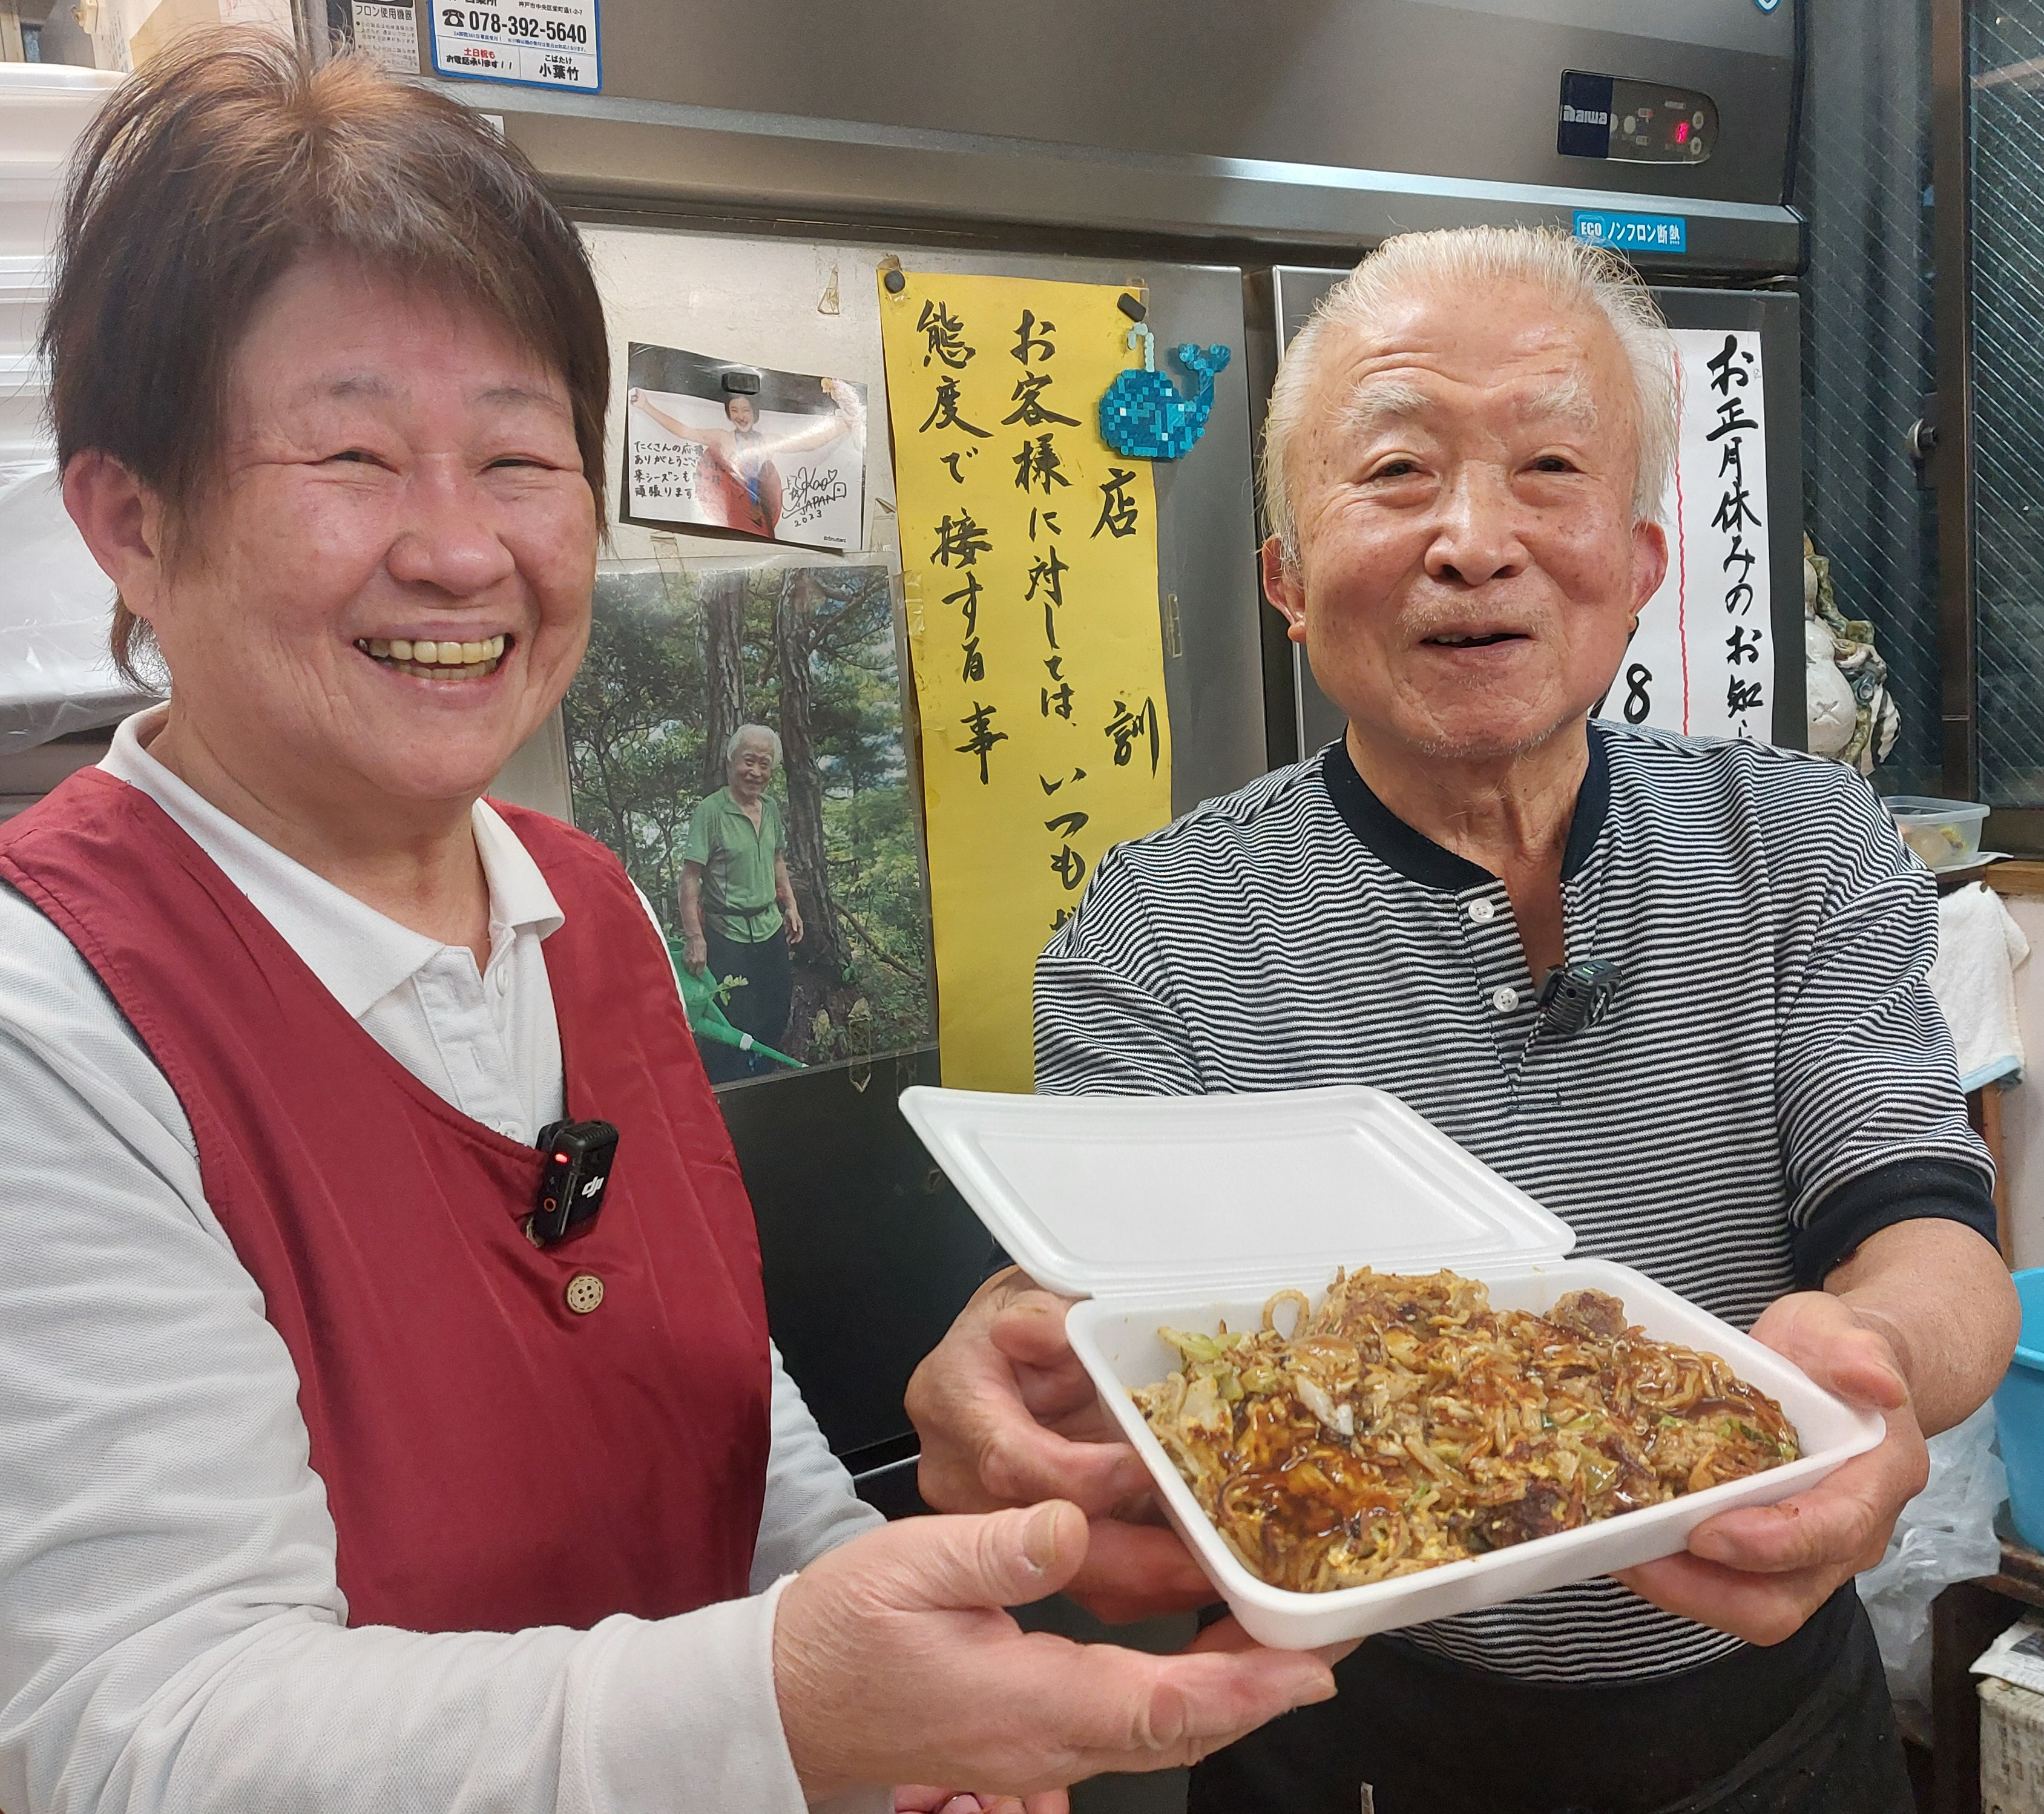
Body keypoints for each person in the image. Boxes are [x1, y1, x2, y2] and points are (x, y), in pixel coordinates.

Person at [0, 38, 1342, 1814]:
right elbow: (139, 1735)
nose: (462, 551)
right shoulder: (57, 1016)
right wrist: (783, 1713)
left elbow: (721, 1415)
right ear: (129, 520)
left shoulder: (591, 907)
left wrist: (889, 1663)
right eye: (350, 453)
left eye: (518, 457)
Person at [906, 226, 2022, 1814]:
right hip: (1346, 1736)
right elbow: (1112, 1303)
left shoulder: (1806, 848)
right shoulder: (1151, 930)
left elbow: (1926, 1226)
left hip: (1774, 1734)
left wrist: (1870, 1355)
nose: (1472, 540)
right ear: (1287, 578)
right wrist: (1036, 1367)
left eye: (1549, 465)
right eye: (1396, 472)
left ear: (1639, 565)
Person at [682, 723, 803, 1082]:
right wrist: (695, 938)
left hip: (769, 929)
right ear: (731, 760)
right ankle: (732, 1094)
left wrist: (791, 906)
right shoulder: (711, 812)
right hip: (726, 934)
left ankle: (765, 1083)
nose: (756, 772)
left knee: (774, 1012)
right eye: (748, 761)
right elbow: (690, 877)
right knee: (732, 1024)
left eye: (764, 764)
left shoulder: (770, 809)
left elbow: (777, 861)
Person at [629, 381, 858, 539]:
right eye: (735, 410)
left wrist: (843, 426)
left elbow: (809, 443)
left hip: (762, 517)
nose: (740, 416)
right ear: (729, 414)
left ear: (754, 413)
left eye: (746, 410)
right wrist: (646, 406)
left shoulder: (768, 441)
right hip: (732, 518)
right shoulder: (722, 437)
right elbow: (684, 431)